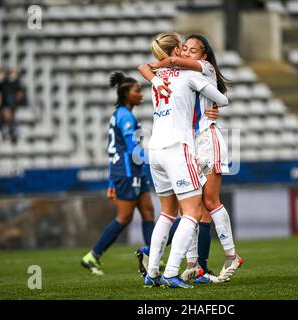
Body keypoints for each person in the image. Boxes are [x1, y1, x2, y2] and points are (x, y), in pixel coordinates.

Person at [137, 34, 242, 284]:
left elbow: (145, 66)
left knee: (199, 204)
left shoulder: (198, 68)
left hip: (198, 139)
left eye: (192, 50)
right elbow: (222, 98)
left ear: (203, 56)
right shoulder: (183, 74)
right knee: (193, 209)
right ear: (175, 50)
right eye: (184, 48)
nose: (187, 53)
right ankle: (186, 267)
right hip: (184, 144)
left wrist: (159, 69)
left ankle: (226, 256)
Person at [80, 72, 155, 275]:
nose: (141, 94)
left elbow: (115, 148)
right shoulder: (124, 115)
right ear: (126, 94)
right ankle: (92, 256)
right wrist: (157, 159)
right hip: (128, 172)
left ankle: (153, 259)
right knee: (124, 217)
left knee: (148, 212)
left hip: (132, 171)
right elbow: (132, 149)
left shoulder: (122, 114)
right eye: (137, 91)